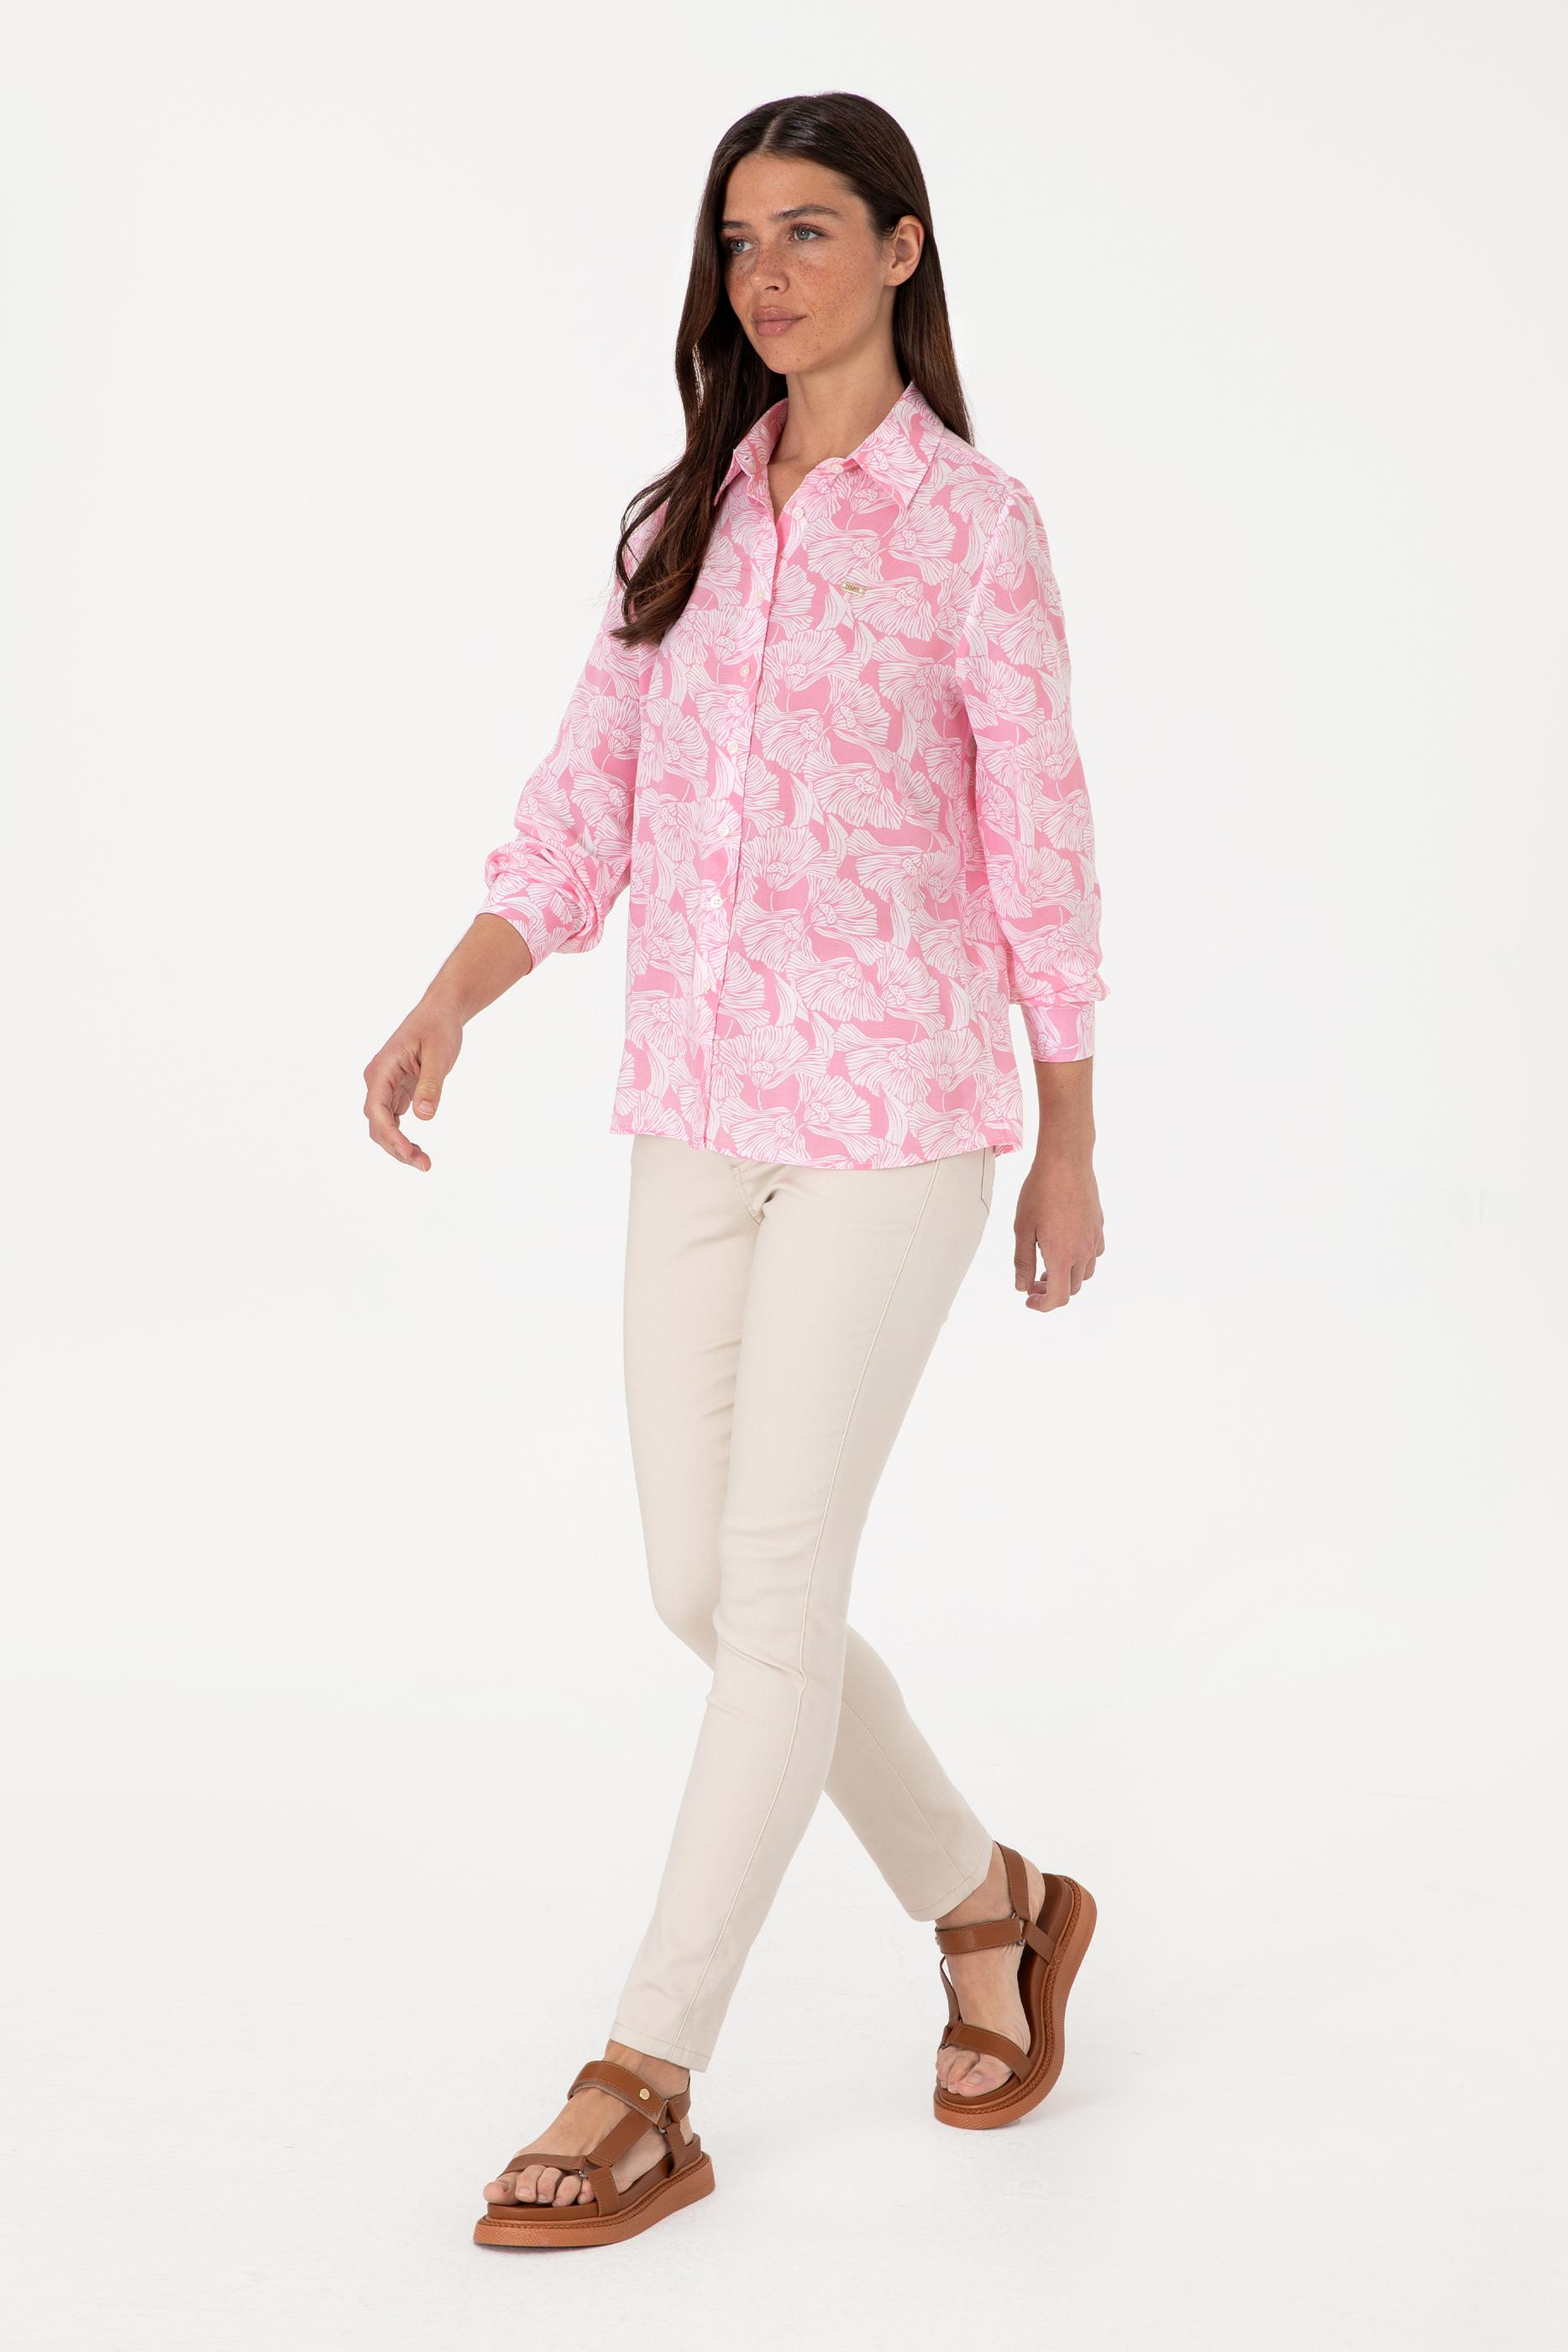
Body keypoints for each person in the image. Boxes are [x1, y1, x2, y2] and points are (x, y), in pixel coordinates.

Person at [363, 89, 1108, 2250]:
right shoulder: (683, 522)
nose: (763, 274)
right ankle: (991, 1898)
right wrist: (453, 991)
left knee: (769, 1595)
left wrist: (1068, 1139)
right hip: (692, 1108)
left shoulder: (974, 528)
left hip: (894, 1121)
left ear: (900, 248)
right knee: (702, 1590)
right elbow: (582, 802)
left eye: (806, 231)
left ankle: (645, 2069)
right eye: (735, 240)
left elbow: (1042, 846)